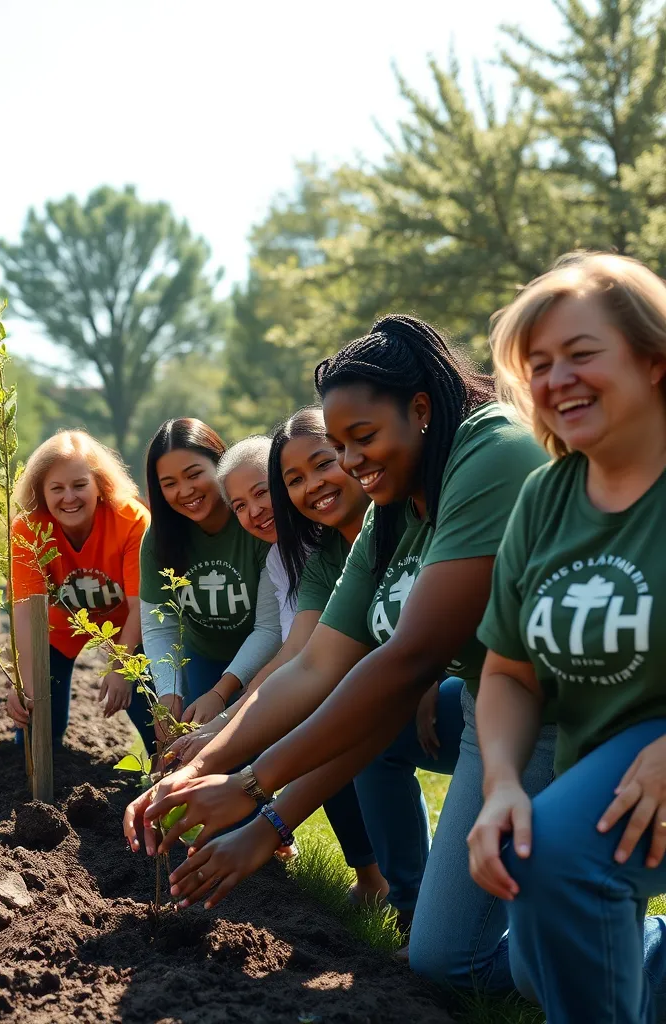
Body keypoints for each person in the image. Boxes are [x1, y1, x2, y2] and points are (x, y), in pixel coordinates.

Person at [127, 314, 552, 992]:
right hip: (489, 706)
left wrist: (254, 796)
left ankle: (627, 952)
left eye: (361, 439)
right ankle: (431, 904)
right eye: (342, 445)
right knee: (440, 956)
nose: (352, 462)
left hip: (566, 711)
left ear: (420, 410)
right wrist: (204, 763)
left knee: (452, 962)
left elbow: (408, 658)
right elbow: (315, 665)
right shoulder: (393, 510)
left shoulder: (488, 454)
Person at [467, 252, 666, 1023]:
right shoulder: (545, 499)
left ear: (652, 358)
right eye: (540, 364)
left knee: (557, 866)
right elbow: (509, 673)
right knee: (537, 954)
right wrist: (504, 784)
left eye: (582, 354)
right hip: (610, 764)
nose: (557, 381)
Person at [212, 425, 388, 907]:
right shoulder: (287, 558)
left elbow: (305, 651)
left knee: (333, 745)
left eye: (262, 493)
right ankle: (383, 880)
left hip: (366, 677)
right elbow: (292, 646)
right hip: (320, 673)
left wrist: (227, 715)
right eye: (240, 506)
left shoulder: (344, 534)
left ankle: (380, 877)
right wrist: (226, 717)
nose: (254, 511)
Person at [5, 430, 155, 752]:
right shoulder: (27, 529)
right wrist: (25, 681)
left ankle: (165, 765)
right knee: (39, 727)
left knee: (151, 711)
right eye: (56, 488)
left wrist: (122, 666)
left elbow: (141, 604)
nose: (68, 497)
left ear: (100, 485)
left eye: (80, 485)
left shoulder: (131, 520)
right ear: (41, 492)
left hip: (127, 626)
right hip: (58, 630)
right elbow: (24, 611)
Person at [139, 419, 281, 744]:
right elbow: (159, 624)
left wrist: (223, 691)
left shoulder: (256, 521)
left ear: (220, 464)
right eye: (169, 482)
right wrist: (168, 694)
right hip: (202, 654)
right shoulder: (159, 539)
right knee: (205, 753)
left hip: (268, 656)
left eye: (194, 474)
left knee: (258, 750)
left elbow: (270, 629)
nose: (185, 490)